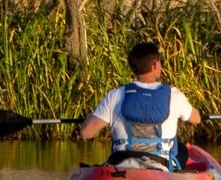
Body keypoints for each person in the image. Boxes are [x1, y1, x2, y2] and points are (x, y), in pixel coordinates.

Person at [75, 40, 200, 170]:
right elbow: (196, 119)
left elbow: (86, 133)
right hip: (160, 164)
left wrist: (89, 118)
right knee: (182, 149)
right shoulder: (174, 95)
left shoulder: (115, 95)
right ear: (155, 65)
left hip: (122, 162)